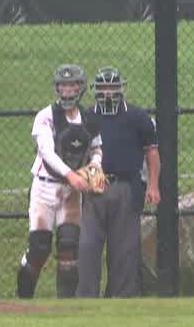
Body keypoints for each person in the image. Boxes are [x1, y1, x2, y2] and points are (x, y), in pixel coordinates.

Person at [17, 63, 103, 299]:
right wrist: (71, 175)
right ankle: (23, 300)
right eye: (62, 85)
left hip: (71, 192)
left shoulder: (89, 118)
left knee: (69, 246)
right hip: (45, 186)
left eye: (72, 85)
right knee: (39, 247)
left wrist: (94, 170)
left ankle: (65, 306)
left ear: (80, 88)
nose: (67, 90)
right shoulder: (46, 116)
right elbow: (47, 152)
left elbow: (96, 149)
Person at [78, 65, 159, 297]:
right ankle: (86, 298)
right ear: (95, 90)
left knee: (124, 251)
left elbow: (152, 152)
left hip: (126, 186)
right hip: (93, 187)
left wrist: (153, 185)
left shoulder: (137, 117)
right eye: (103, 88)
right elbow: (77, 153)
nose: (108, 93)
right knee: (87, 246)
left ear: (121, 89)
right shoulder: (86, 117)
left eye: (112, 87)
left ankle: (120, 299)